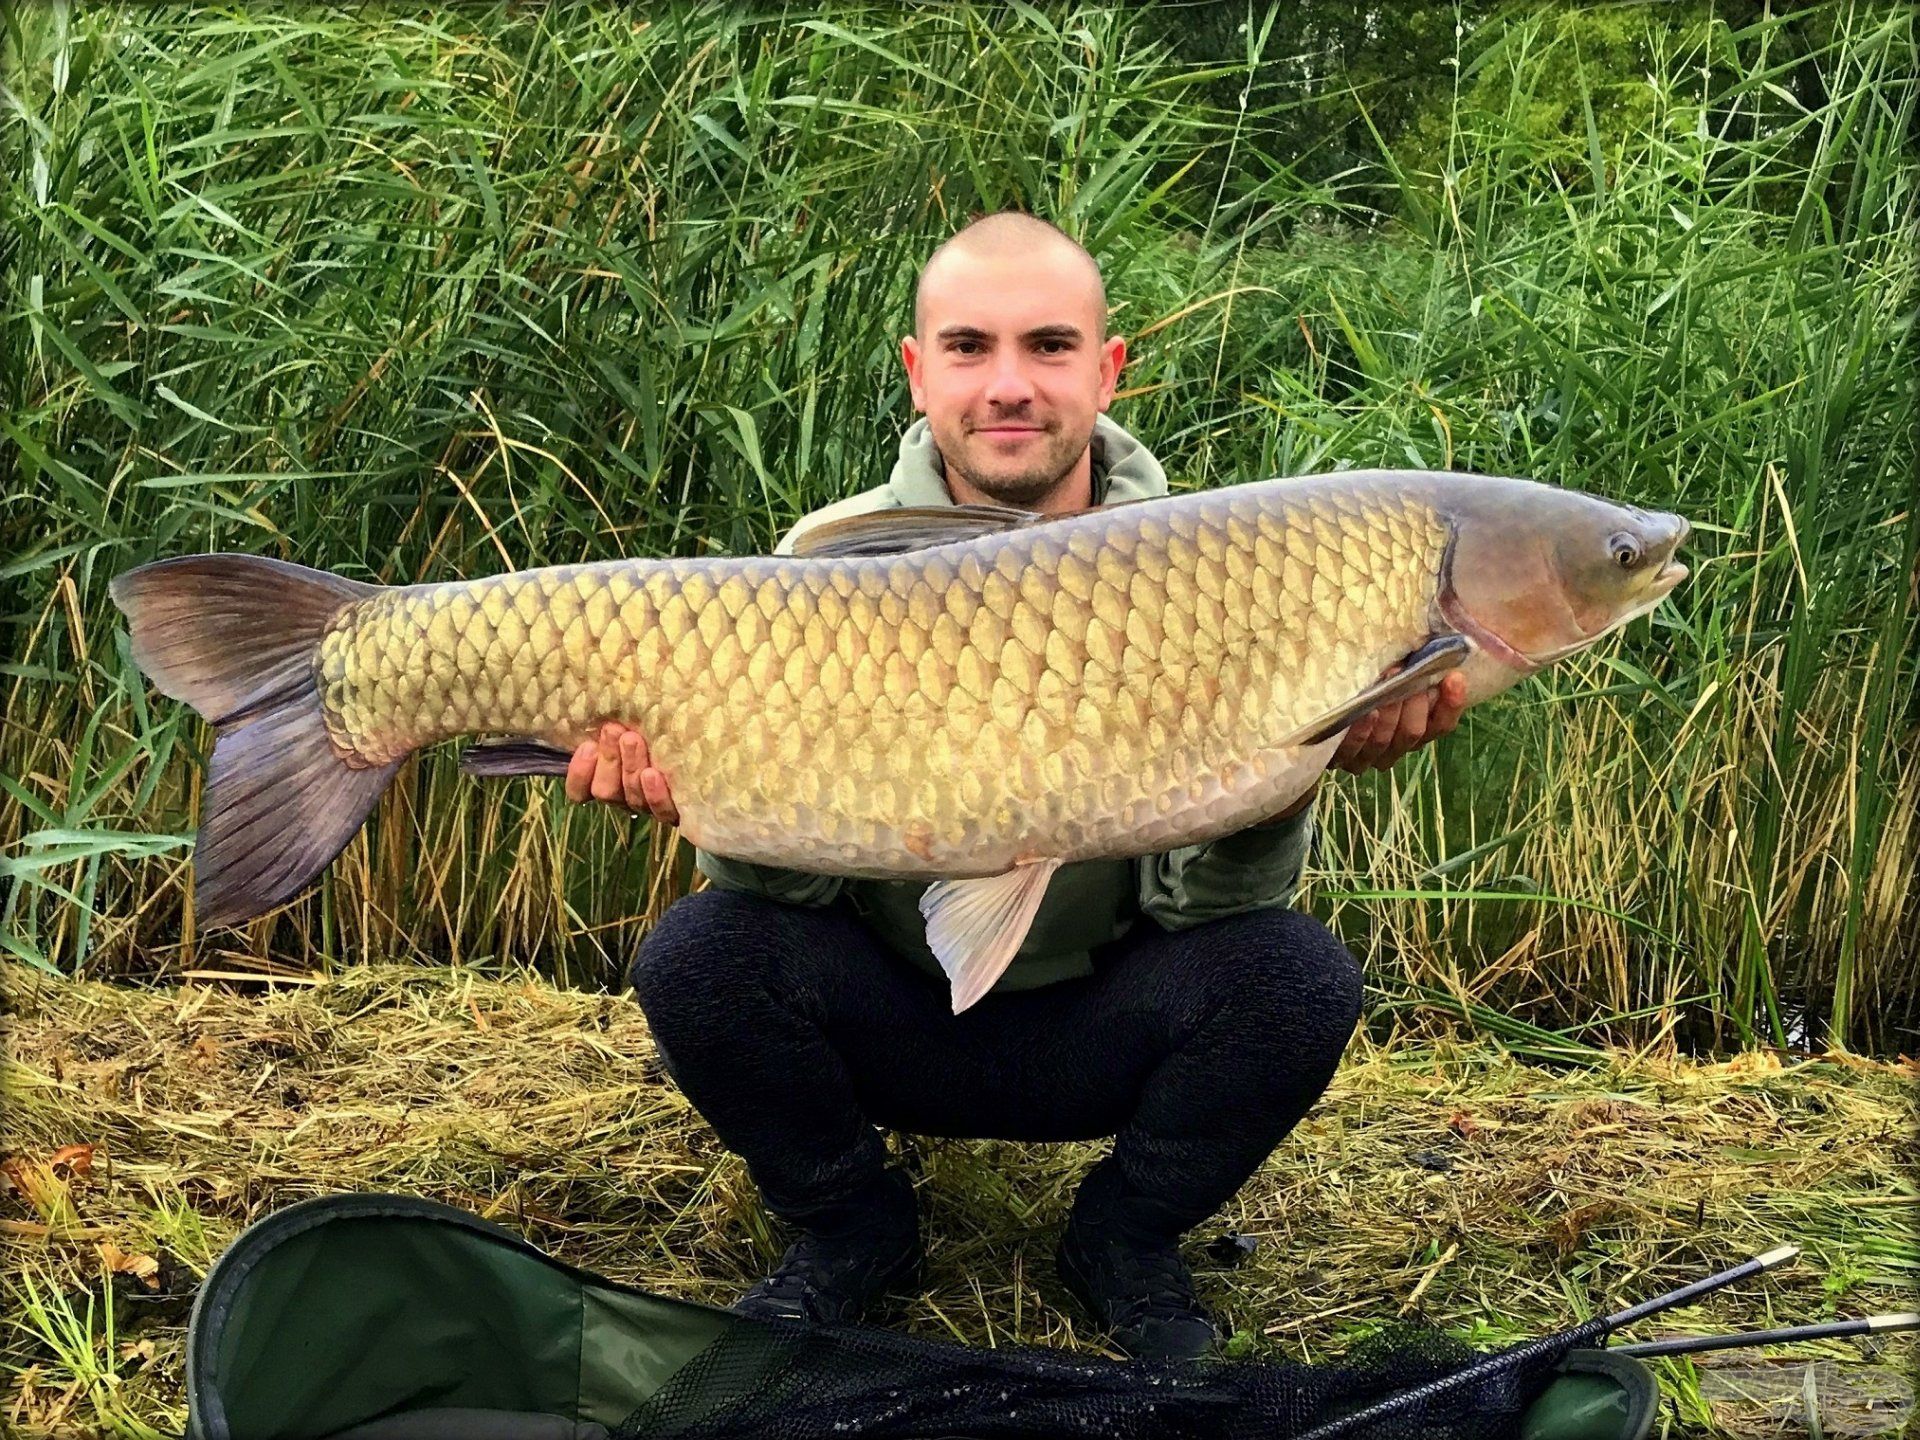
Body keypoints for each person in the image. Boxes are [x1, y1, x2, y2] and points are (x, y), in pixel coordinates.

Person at [573, 213, 1466, 1362]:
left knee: (1294, 978)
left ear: (1107, 367)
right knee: (702, 953)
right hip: (897, 1012)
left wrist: (1295, 773)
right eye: (968, 347)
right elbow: (779, 899)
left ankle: (1124, 1236)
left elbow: (1206, 913)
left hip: (1099, 1026)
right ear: (917, 369)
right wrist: (695, 790)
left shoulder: (1217, 567)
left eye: (1048, 346)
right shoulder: (832, 557)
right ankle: (853, 1225)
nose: (1008, 386)